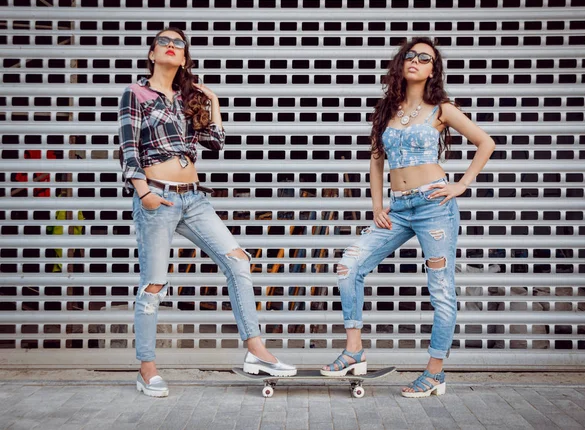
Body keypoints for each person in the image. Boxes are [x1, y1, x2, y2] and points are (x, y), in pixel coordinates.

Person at [118, 27, 296, 398]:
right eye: (164, 42)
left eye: (178, 44)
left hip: (194, 199)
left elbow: (214, 141)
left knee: (238, 262)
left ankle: (256, 351)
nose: (171, 46)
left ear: (184, 58)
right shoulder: (135, 94)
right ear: (152, 54)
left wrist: (213, 103)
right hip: (158, 198)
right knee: (153, 286)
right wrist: (144, 193)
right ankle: (146, 369)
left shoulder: (189, 100)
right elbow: (128, 149)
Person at [320, 37, 495, 398]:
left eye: (424, 58)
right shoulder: (387, 109)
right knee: (349, 265)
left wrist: (461, 184)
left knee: (441, 290)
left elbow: (486, 143)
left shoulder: (441, 109)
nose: (416, 61)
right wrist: (377, 206)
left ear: (433, 70)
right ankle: (354, 351)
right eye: (410, 55)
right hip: (397, 210)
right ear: (401, 63)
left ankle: (434, 373)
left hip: (434, 206)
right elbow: (376, 160)